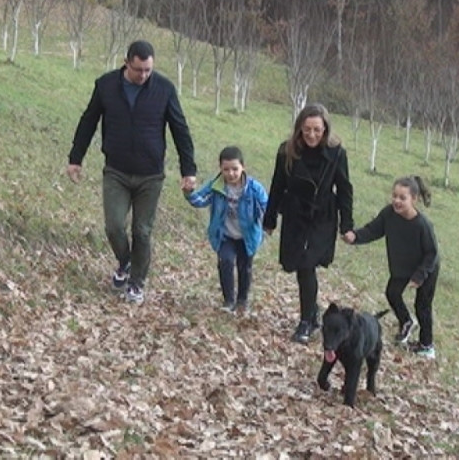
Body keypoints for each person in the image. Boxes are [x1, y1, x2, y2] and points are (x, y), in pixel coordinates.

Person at [67, 40, 197, 304]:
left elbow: (180, 129)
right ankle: (126, 262)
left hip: (150, 175)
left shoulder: (164, 89)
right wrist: (75, 158)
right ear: (127, 63)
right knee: (114, 226)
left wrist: (188, 170)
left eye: (148, 70)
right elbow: (88, 120)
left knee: (142, 231)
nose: (144, 75)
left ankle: (137, 282)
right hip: (116, 171)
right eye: (139, 70)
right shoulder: (106, 86)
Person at [263, 103, 354, 344]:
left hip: (322, 215)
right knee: (297, 264)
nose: (312, 135)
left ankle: (306, 320)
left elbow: (344, 188)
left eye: (317, 130)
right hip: (295, 211)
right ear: (299, 129)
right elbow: (277, 185)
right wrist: (270, 219)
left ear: (325, 129)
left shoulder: (336, 153)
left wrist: (347, 225)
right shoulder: (287, 151)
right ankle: (312, 313)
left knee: (307, 264)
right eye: (307, 130)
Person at [343, 175, 440, 360]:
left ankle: (426, 346)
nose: (397, 201)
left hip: (426, 268)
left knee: (423, 306)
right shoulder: (389, 214)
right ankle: (406, 322)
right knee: (392, 293)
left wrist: (419, 276)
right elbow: (373, 230)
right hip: (402, 266)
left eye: (402, 198)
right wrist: (355, 236)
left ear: (414, 199)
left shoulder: (422, 225)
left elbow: (432, 253)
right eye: (394, 196)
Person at [186, 146, 269, 313]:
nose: (231, 173)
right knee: (226, 261)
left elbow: (267, 207)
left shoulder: (254, 188)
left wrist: (267, 222)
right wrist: (188, 192)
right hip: (225, 235)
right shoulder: (216, 186)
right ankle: (228, 300)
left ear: (243, 167)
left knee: (245, 267)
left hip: (248, 236)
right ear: (220, 169)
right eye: (226, 169)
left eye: (235, 169)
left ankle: (242, 300)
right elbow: (200, 200)